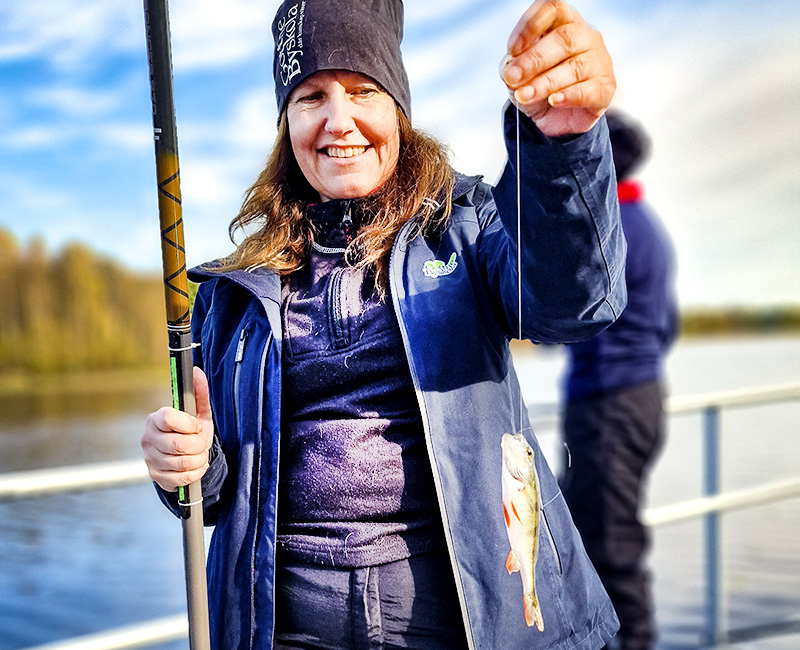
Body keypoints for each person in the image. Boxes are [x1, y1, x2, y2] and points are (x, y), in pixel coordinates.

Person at [141, 1, 627, 648]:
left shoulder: (466, 227)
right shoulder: (229, 296)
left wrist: (564, 150)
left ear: (397, 108)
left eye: (362, 90)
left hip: (467, 624)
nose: (338, 121)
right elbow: (215, 493)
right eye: (311, 96)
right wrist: (187, 467)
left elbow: (575, 303)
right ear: (287, 124)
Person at [559, 108, 679, 650]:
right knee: (589, 535)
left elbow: (562, 310)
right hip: (642, 397)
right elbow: (667, 325)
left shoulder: (613, 232)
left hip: (609, 405)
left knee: (613, 556)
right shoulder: (646, 224)